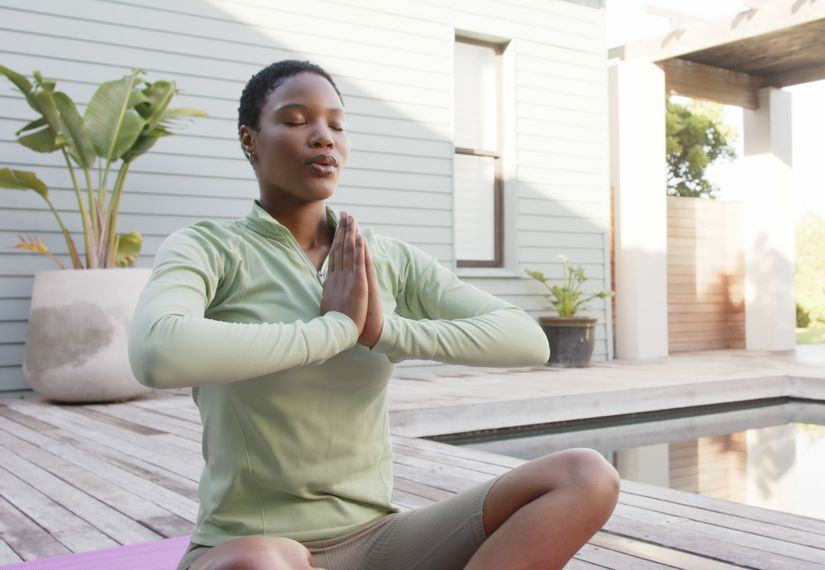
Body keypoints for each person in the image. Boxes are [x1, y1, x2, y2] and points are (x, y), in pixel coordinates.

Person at [128, 60, 620, 570]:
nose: (323, 138)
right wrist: (335, 330)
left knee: (585, 475)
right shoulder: (210, 247)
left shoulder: (383, 257)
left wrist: (384, 331)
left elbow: (526, 340)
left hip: (378, 541)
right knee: (258, 564)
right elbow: (157, 351)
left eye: (336, 125)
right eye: (297, 121)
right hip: (252, 546)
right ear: (250, 139)